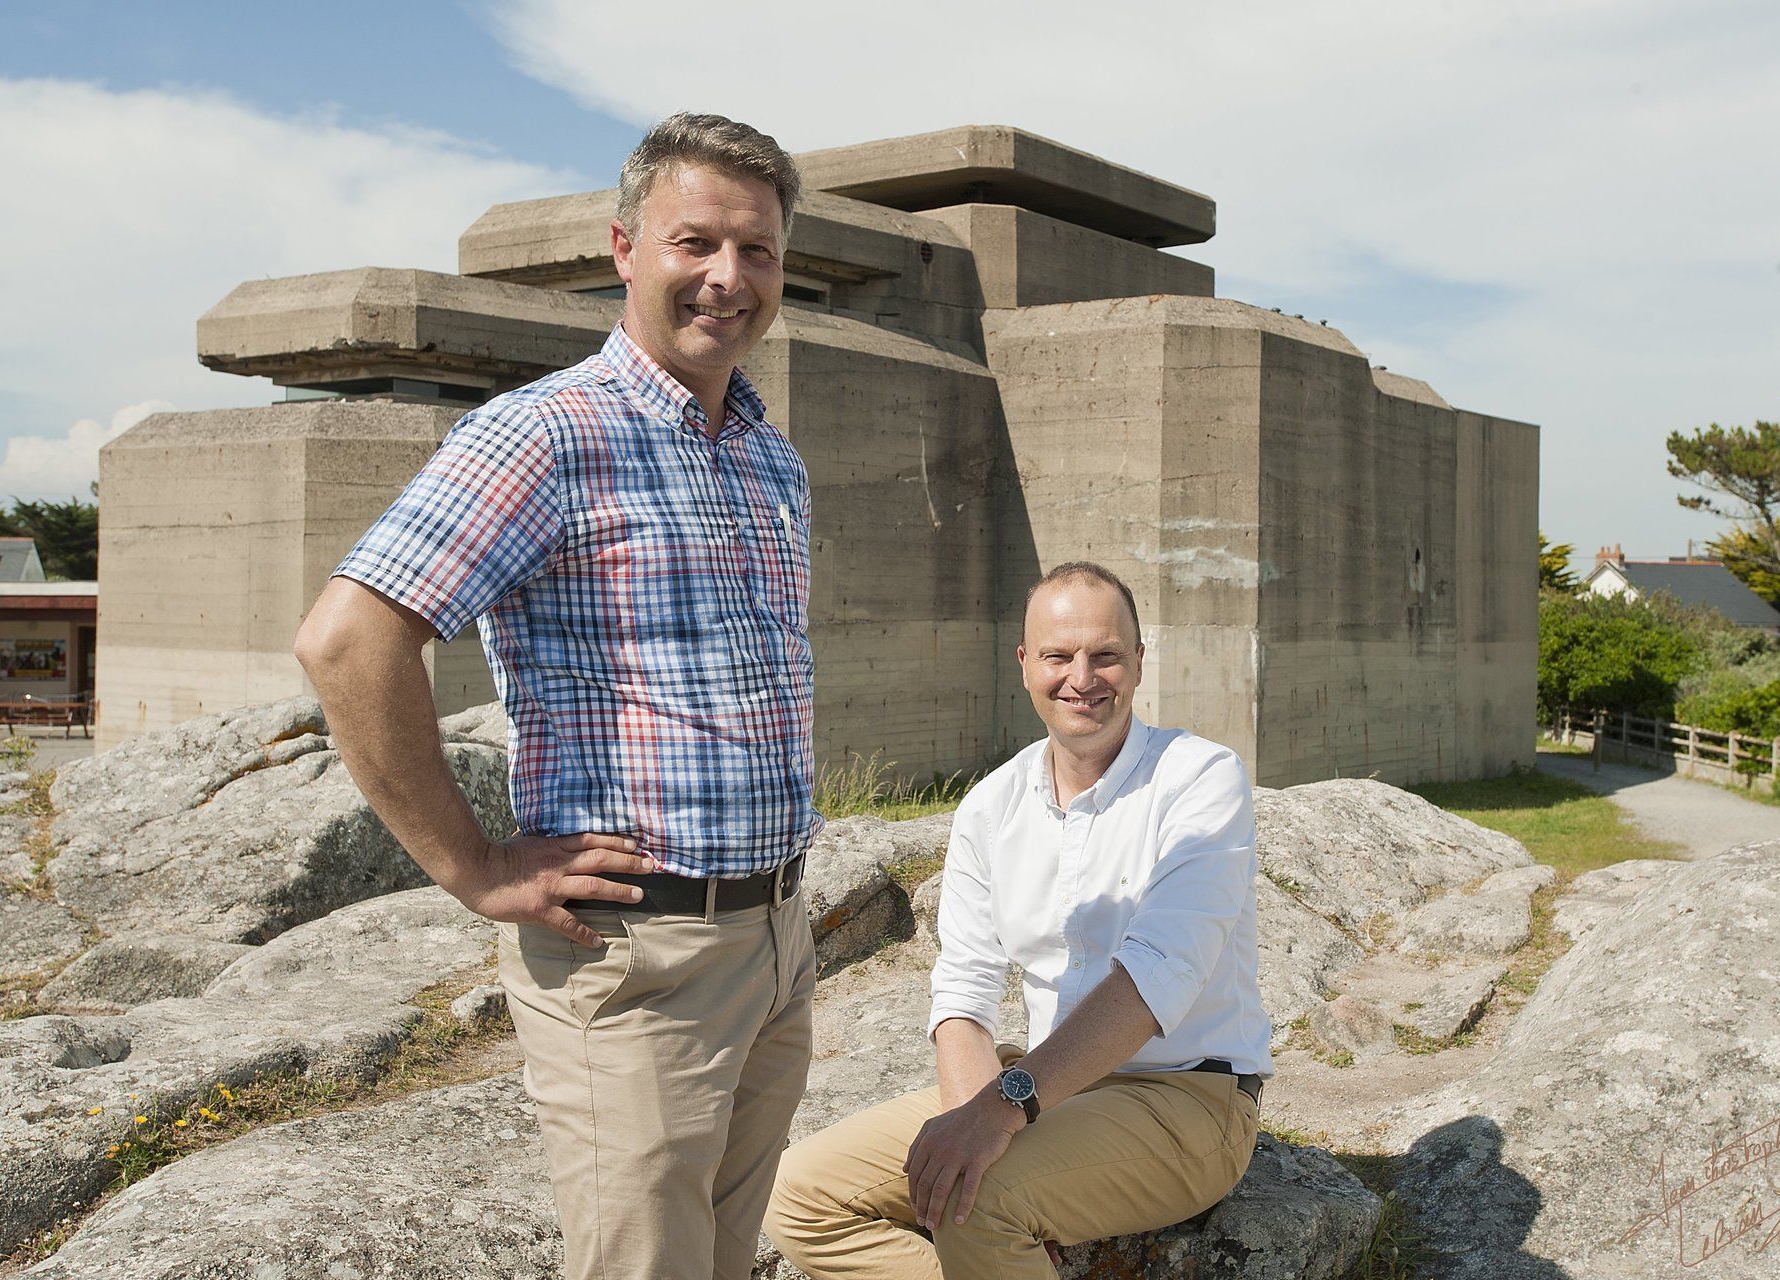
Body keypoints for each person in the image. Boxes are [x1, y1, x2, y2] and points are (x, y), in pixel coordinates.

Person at [293, 112, 816, 1280]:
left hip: (776, 938)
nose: (729, 278)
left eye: (759, 251)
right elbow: (348, 639)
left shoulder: (765, 452)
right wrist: (472, 864)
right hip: (638, 957)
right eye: (696, 243)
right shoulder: (546, 434)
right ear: (624, 248)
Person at [765, 562, 1269, 1279]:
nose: (1083, 678)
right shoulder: (991, 806)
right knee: (799, 1195)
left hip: (1186, 1097)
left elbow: (1159, 978)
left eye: (1107, 655)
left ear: (1139, 663)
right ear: (1025, 663)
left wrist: (1002, 1116)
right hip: (1041, 1091)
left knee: (982, 1194)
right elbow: (964, 993)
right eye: (1059, 656)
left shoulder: (1200, 779)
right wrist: (981, 1118)